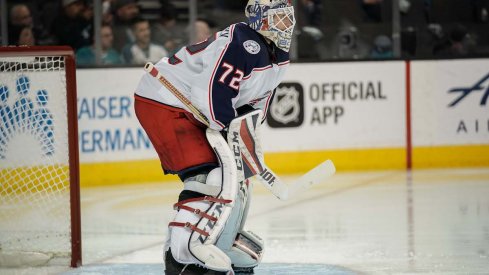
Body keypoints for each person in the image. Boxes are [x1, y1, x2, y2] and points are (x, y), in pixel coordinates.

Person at [133, 0, 295, 274]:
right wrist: (227, 126)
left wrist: (245, 137)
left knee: (236, 177)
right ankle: (181, 257)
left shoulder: (278, 55)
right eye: (278, 18)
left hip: (193, 111)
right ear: (258, 19)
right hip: (164, 102)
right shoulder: (242, 42)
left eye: (288, 17)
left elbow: (257, 105)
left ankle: (220, 242)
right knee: (210, 178)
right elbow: (210, 93)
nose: (286, 24)